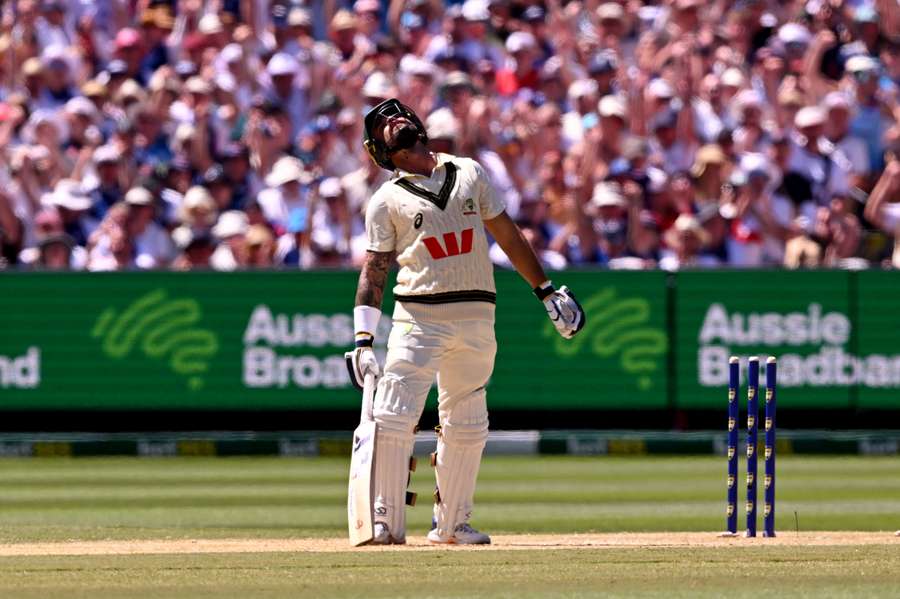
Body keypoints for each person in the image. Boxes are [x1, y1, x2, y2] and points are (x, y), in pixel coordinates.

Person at [344, 99, 585, 546]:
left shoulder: (469, 172)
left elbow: (508, 235)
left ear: (417, 123)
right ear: (380, 150)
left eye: (398, 115)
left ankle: (453, 524)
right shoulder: (386, 200)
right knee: (395, 415)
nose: (393, 122)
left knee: (468, 419)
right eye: (382, 125)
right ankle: (384, 520)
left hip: (477, 314)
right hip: (418, 316)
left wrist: (546, 291)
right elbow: (374, 271)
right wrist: (363, 338)